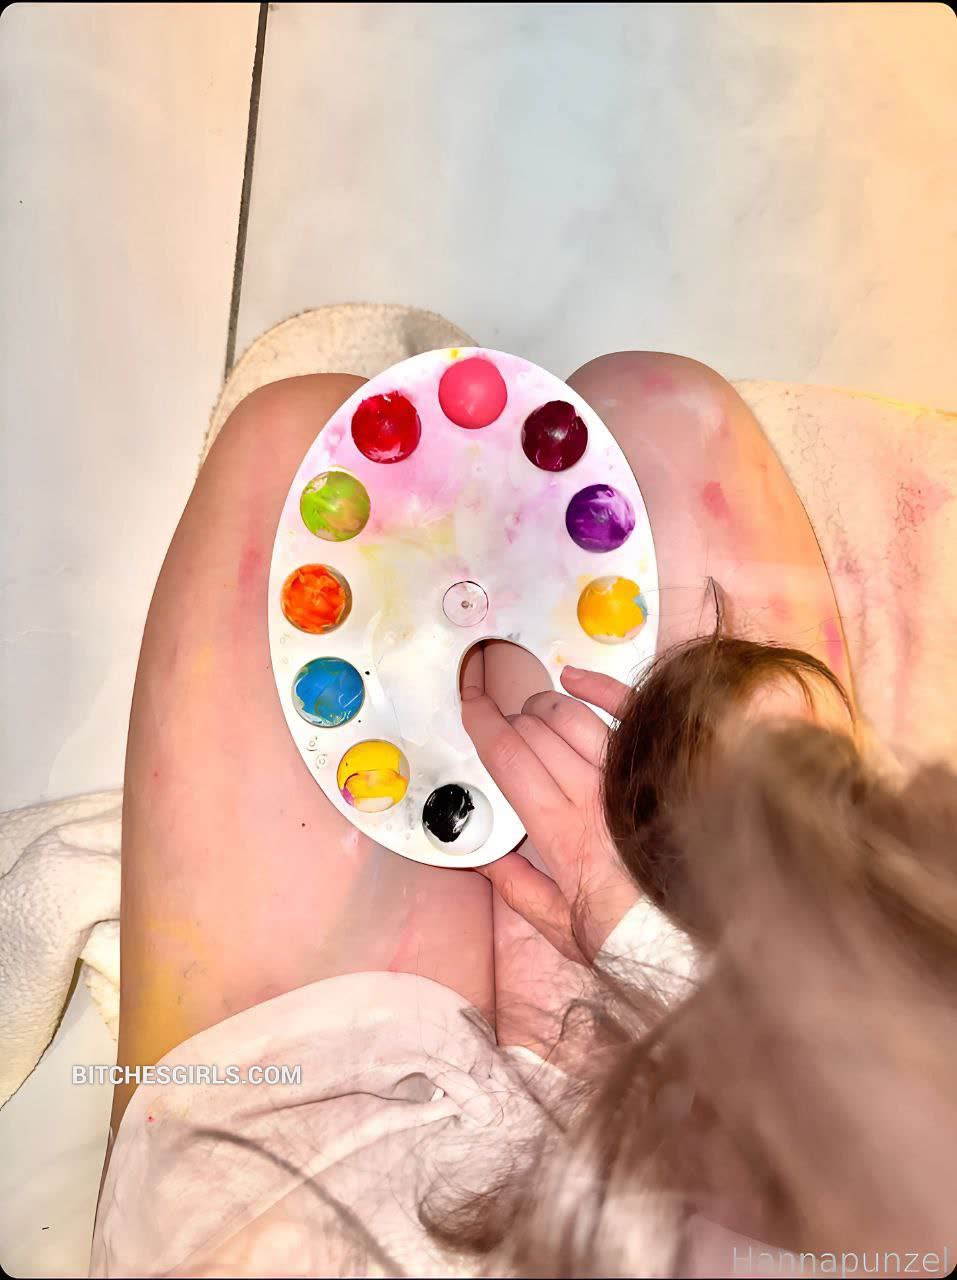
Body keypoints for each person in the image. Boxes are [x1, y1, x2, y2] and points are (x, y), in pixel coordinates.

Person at [90, 353, 955, 1276]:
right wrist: (658, 946)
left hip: (304, 1188)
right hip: (750, 1139)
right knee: (651, 413)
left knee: (301, 440)